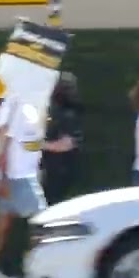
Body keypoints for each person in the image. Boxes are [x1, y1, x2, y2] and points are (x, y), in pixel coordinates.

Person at [0, 97, 48, 278]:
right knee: (43, 222)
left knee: (3, 223)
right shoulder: (13, 106)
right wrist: (2, 176)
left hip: (25, 174)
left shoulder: (35, 104)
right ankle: (35, 270)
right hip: (18, 176)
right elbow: (3, 143)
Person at [41, 72, 83, 205]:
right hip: (53, 168)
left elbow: (67, 143)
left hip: (60, 170)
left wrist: (38, 145)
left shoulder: (69, 114)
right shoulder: (57, 110)